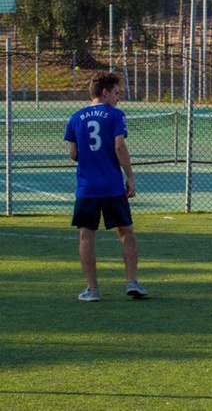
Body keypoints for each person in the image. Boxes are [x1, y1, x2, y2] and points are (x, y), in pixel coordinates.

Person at [64, 71, 147, 302]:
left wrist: (91, 159)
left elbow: (73, 154)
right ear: (105, 92)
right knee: (126, 233)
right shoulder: (116, 115)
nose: (118, 98)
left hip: (87, 188)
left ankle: (92, 289)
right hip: (111, 187)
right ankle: (132, 283)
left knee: (86, 236)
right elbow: (119, 146)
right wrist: (130, 176)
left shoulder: (75, 117)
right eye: (117, 93)